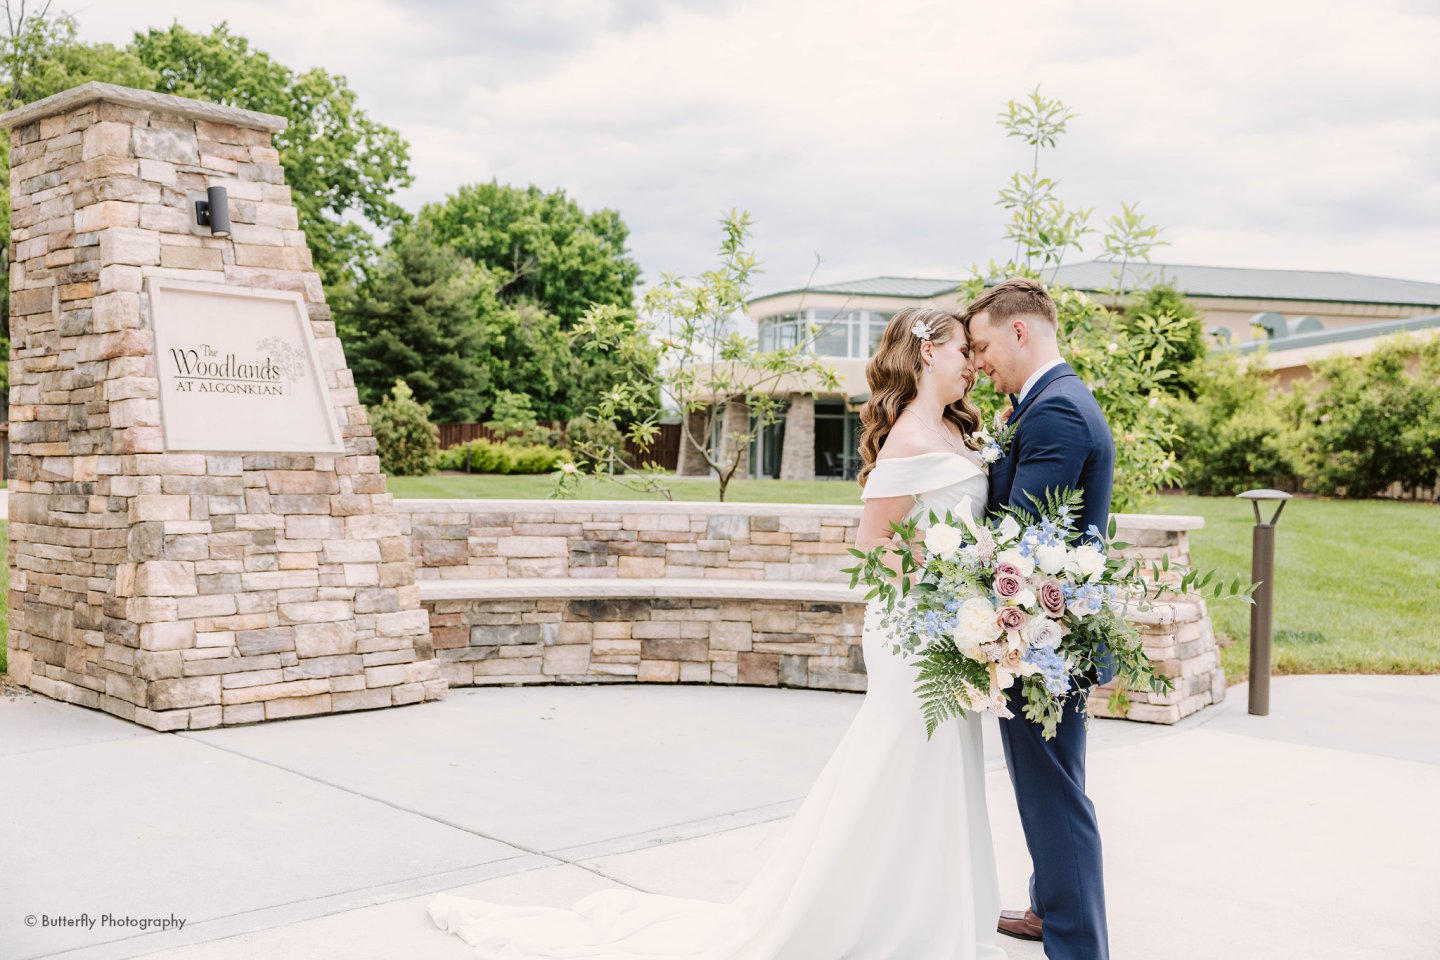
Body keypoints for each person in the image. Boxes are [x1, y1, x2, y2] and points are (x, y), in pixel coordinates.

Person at [426, 305, 1007, 958]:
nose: (973, 362)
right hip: (916, 632)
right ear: (929, 352)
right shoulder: (907, 438)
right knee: (903, 762)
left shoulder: (960, 432)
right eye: (964, 349)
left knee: (943, 767)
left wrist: (976, 585)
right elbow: (875, 545)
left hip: (952, 629)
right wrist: (952, 582)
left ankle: (931, 913)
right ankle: (863, 916)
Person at [964, 277, 1116, 960]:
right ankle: (1050, 906)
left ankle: (1077, 946)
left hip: (1042, 636)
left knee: (1053, 794)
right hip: (1046, 632)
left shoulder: (1054, 411)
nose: (977, 361)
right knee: (1053, 784)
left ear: (1019, 331)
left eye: (982, 344)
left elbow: (1023, 539)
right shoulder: (1047, 403)